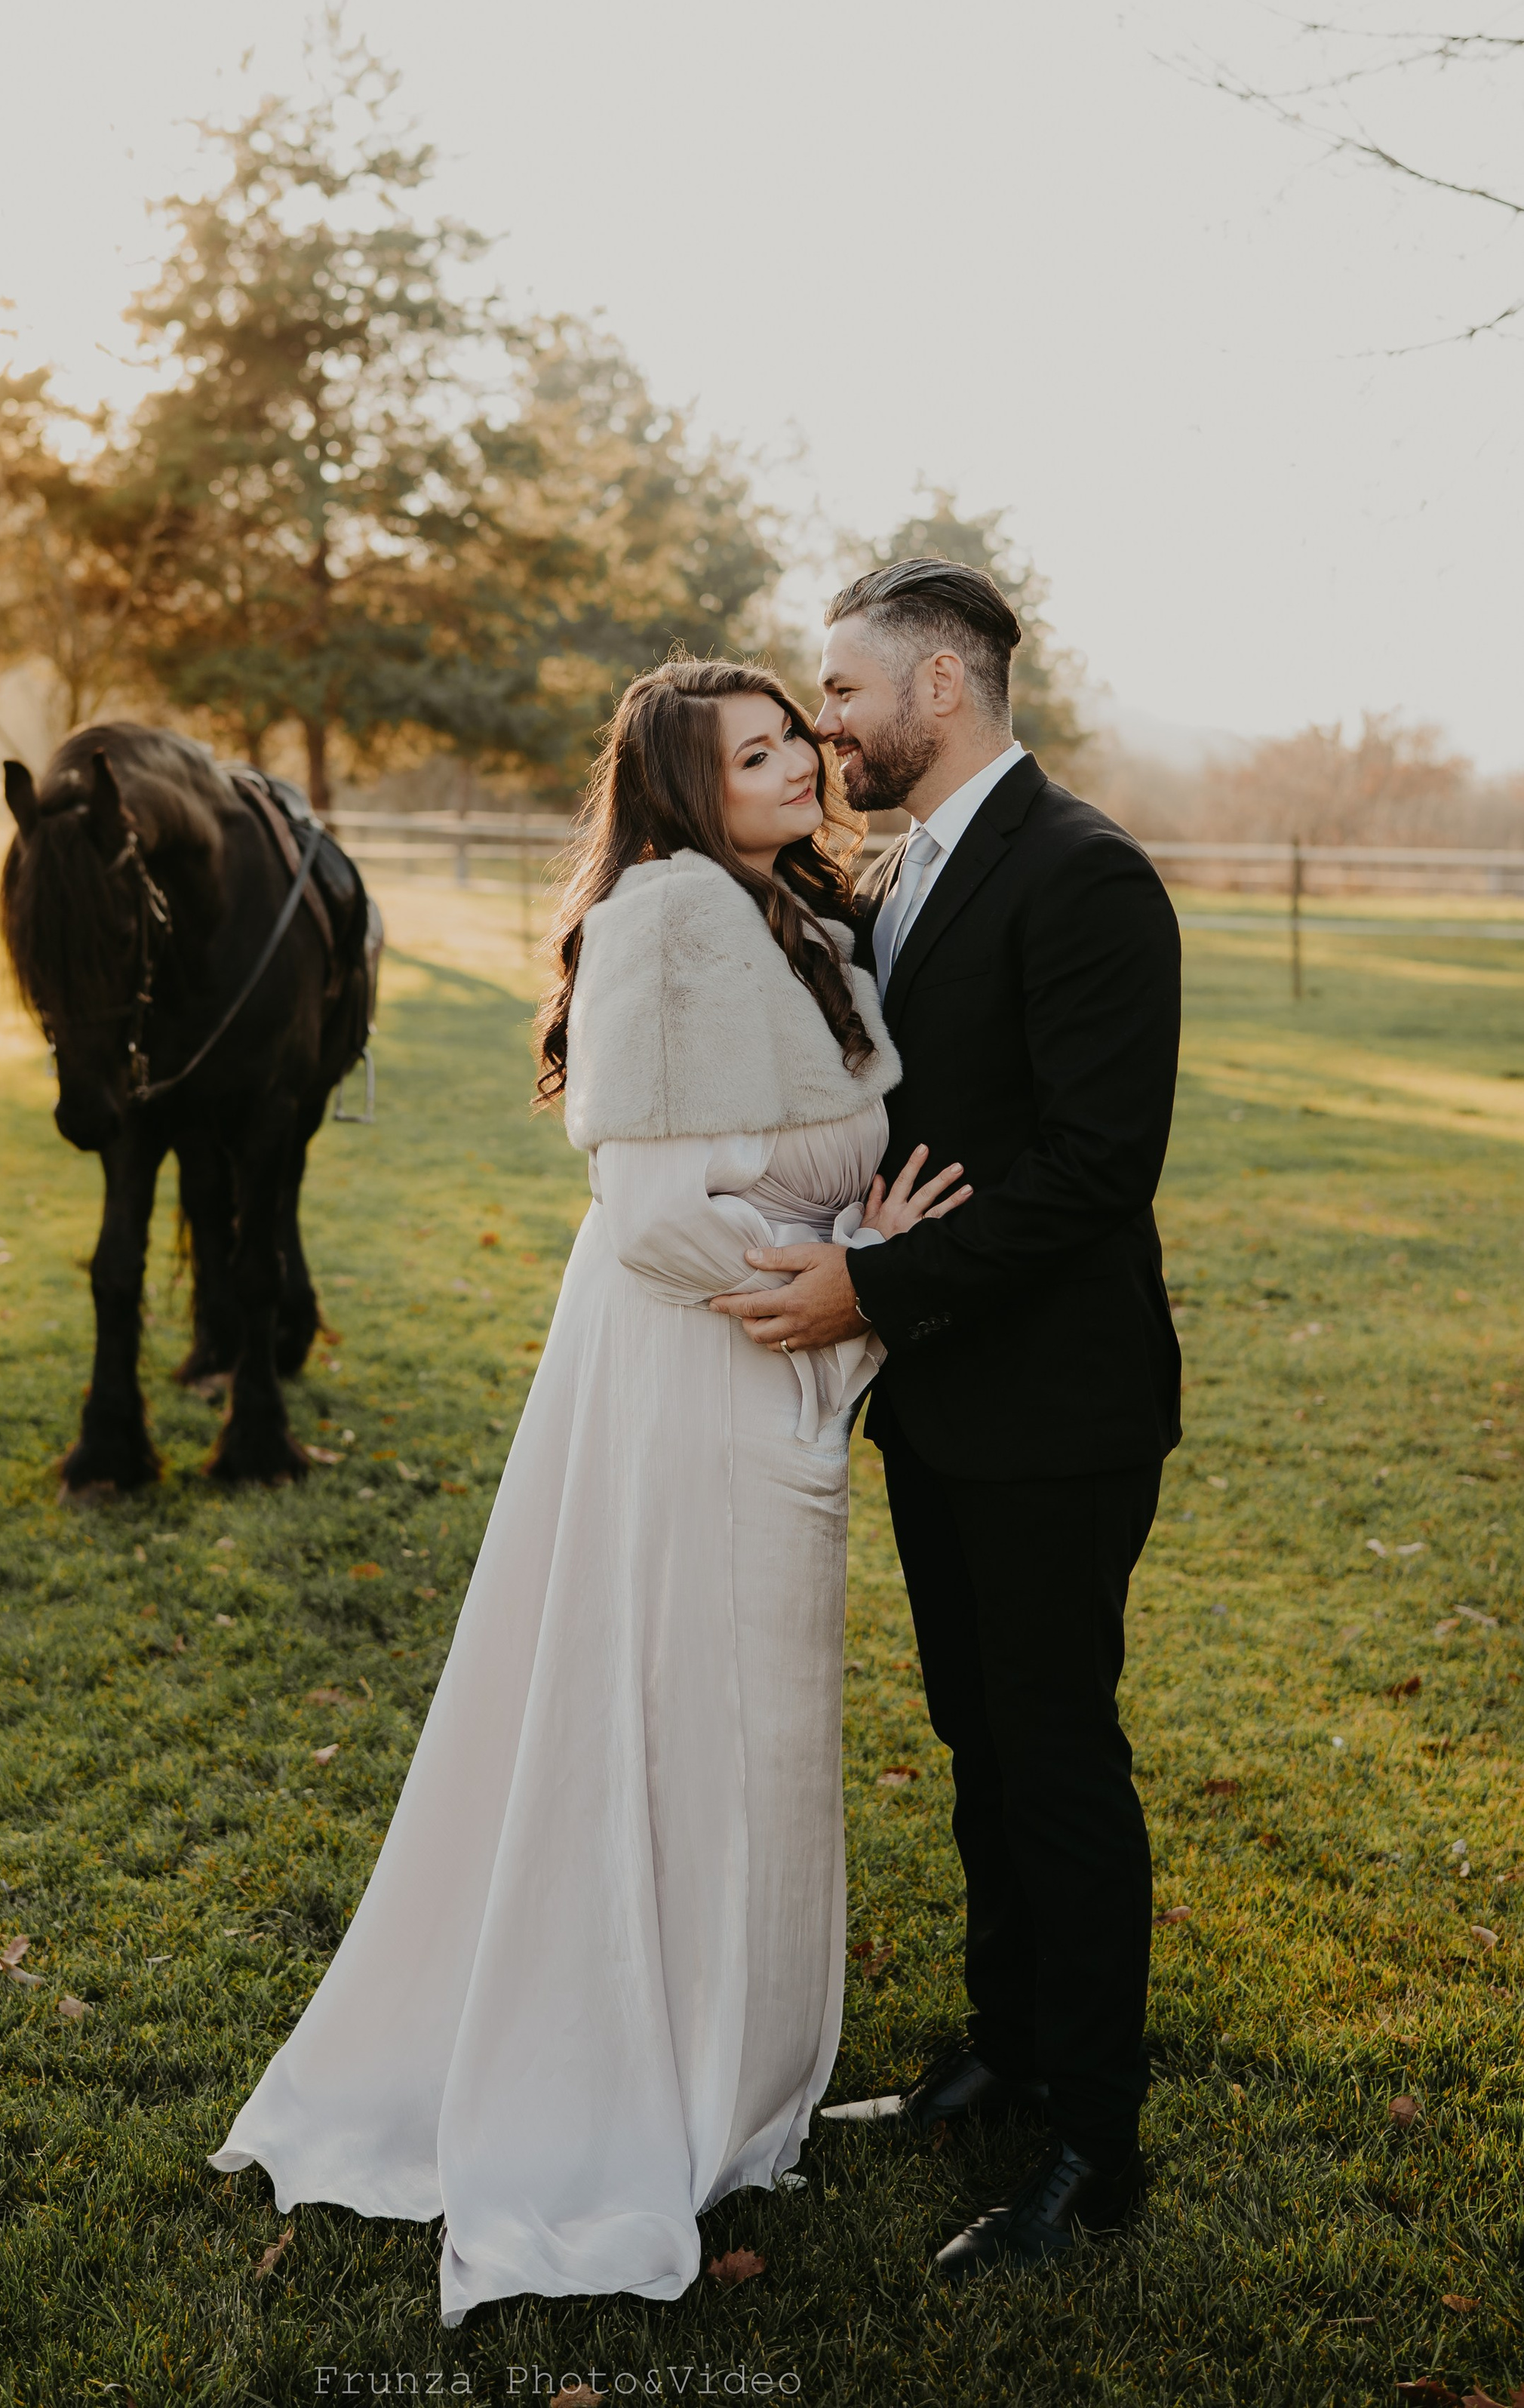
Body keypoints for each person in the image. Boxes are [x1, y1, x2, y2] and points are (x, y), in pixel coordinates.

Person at [207, 657, 969, 2324]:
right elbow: (648, 1221)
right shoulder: (663, 923)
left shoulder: (797, 925)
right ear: (684, 791)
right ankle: (644, 2071)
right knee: (674, 1704)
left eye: (791, 740)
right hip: (690, 1370)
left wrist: (848, 1289)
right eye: (754, 752)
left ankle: (739, 2070)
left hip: (773, 1369)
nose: (794, 765)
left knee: (756, 1719)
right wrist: (847, 1268)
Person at [712, 558, 1182, 2280]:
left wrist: (870, 1295)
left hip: (1058, 1414)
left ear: (937, 685)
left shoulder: (1086, 874)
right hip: (946, 1408)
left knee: (1056, 1759)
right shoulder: (907, 869)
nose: (820, 722)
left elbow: (1090, 1173)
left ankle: (1093, 2149)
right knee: (983, 1745)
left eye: (838, 692)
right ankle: (1004, 2050)